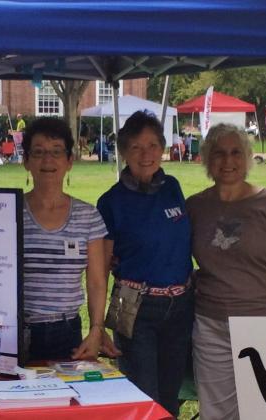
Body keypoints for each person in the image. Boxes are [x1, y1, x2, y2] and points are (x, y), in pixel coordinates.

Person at [186, 123, 266, 420]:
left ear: (248, 157)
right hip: (211, 324)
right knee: (216, 411)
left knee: (265, 407)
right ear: (207, 159)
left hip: (263, 321)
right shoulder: (195, 207)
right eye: (219, 153)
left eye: (236, 152)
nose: (228, 161)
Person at [96, 111, 193, 417]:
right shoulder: (111, 201)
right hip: (135, 307)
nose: (146, 154)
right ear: (123, 152)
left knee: (170, 395)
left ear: (162, 148)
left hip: (180, 306)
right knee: (144, 397)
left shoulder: (172, 187)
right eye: (136, 147)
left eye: (152, 145)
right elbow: (101, 266)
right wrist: (97, 324)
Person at [22, 117, 111, 362]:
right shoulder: (10, 213)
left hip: (67, 332)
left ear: (69, 161)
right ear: (25, 161)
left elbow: (96, 281)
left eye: (56, 152)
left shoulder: (88, 216)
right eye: (38, 152)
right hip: (19, 331)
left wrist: (96, 330)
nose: (47, 160)